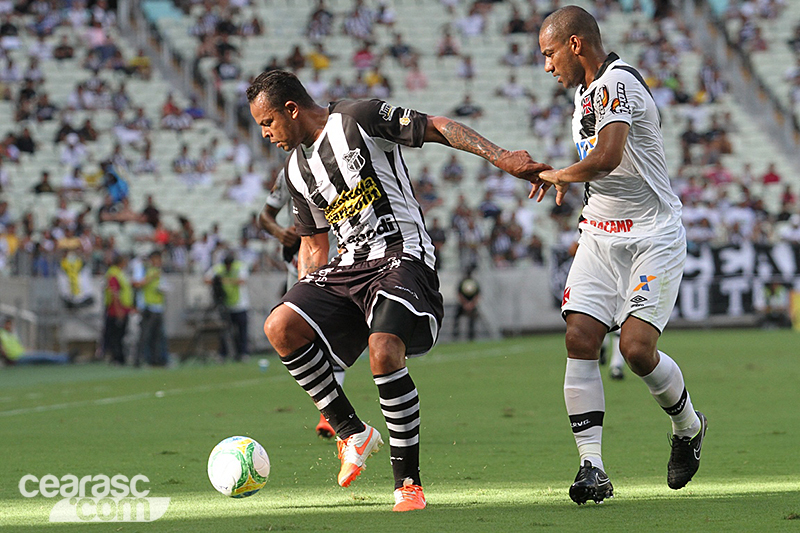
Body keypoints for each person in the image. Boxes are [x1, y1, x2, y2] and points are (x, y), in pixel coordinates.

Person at [246, 69, 546, 512]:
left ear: (291, 109)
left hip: (402, 255)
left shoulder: (358, 117)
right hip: (349, 267)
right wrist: (308, 306)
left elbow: (438, 126)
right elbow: (313, 246)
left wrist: (500, 157)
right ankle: (352, 432)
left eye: (268, 123)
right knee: (280, 325)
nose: (266, 134)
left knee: (384, 351)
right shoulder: (295, 171)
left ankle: (407, 484)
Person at [533, 6, 708, 505]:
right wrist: (571, 180)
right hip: (599, 234)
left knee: (634, 349)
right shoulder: (586, 92)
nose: (547, 66)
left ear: (574, 45)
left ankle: (689, 427)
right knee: (580, 336)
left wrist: (560, 175)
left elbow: (607, 157)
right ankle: (592, 466)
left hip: (652, 235)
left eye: (549, 53)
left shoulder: (617, 82)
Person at [258, 168, 344, 438]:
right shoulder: (289, 172)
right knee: (298, 337)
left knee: (333, 337)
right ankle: (331, 408)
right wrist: (279, 232)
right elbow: (265, 216)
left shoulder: (340, 160)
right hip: (300, 264)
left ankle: (331, 415)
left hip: (340, 262)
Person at [203, 253, 250, 362]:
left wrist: (224, 280)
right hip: (225, 305)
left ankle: (242, 353)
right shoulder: (219, 268)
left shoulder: (240, 267)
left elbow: (242, 281)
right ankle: (223, 353)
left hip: (240, 304)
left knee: (241, 331)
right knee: (224, 331)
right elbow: (206, 279)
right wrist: (216, 282)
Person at [133, 251, 168, 366]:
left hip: (158, 307)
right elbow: (137, 284)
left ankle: (156, 360)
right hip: (148, 307)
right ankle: (138, 360)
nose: (159, 261)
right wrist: (150, 278)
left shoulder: (159, 271)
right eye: (157, 259)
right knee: (145, 335)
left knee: (157, 336)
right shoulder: (145, 270)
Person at [0, 316, 71, 366]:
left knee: (42, 355)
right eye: (8, 324)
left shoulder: (10, 334)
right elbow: (3, 350)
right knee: (43, 356)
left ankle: (64, 357)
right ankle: (66, 358)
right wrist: (8, 360)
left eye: (11, 324)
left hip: (22, 355)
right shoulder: (2, 333)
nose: (10, 326)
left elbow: (17, 348)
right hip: (16, 359)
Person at [103, 254, 134, 365]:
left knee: (120, 334)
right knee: (116, 335)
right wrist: (118, 310)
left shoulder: (119, 273)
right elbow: (114, 293)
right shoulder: (114, 274)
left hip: (123, 308)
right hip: (116, 310)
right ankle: (117, 357)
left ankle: (119, 357)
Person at [452, 265, 481, 340]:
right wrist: (465, 304)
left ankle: (471, 335)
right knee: (456, 318)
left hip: (470, 304)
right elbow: (459, 294)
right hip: (464, 304)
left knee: (472, 319)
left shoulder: (473, 282)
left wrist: (471, 304)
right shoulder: (463, 282)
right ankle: (455, 334)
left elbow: (477, 294)